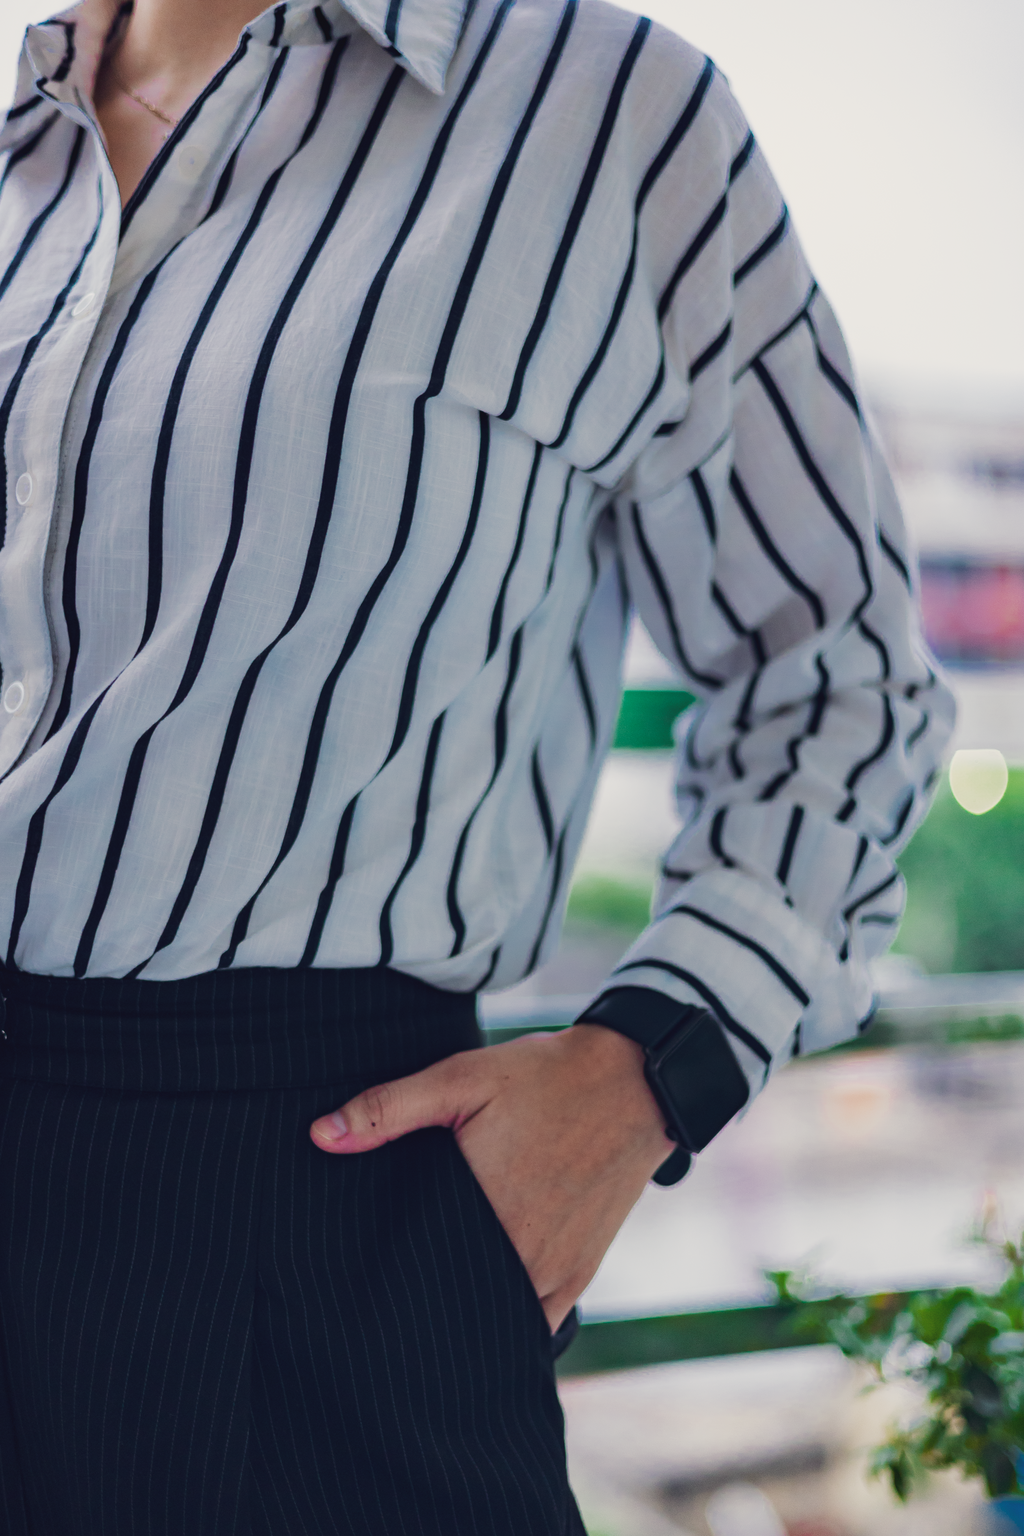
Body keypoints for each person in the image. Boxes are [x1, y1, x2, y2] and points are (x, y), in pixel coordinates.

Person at [0, 0, 953, 1529]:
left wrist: (652, 1062)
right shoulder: (21, 126)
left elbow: (837, 682)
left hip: (314, 1182)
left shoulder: (608, 115)